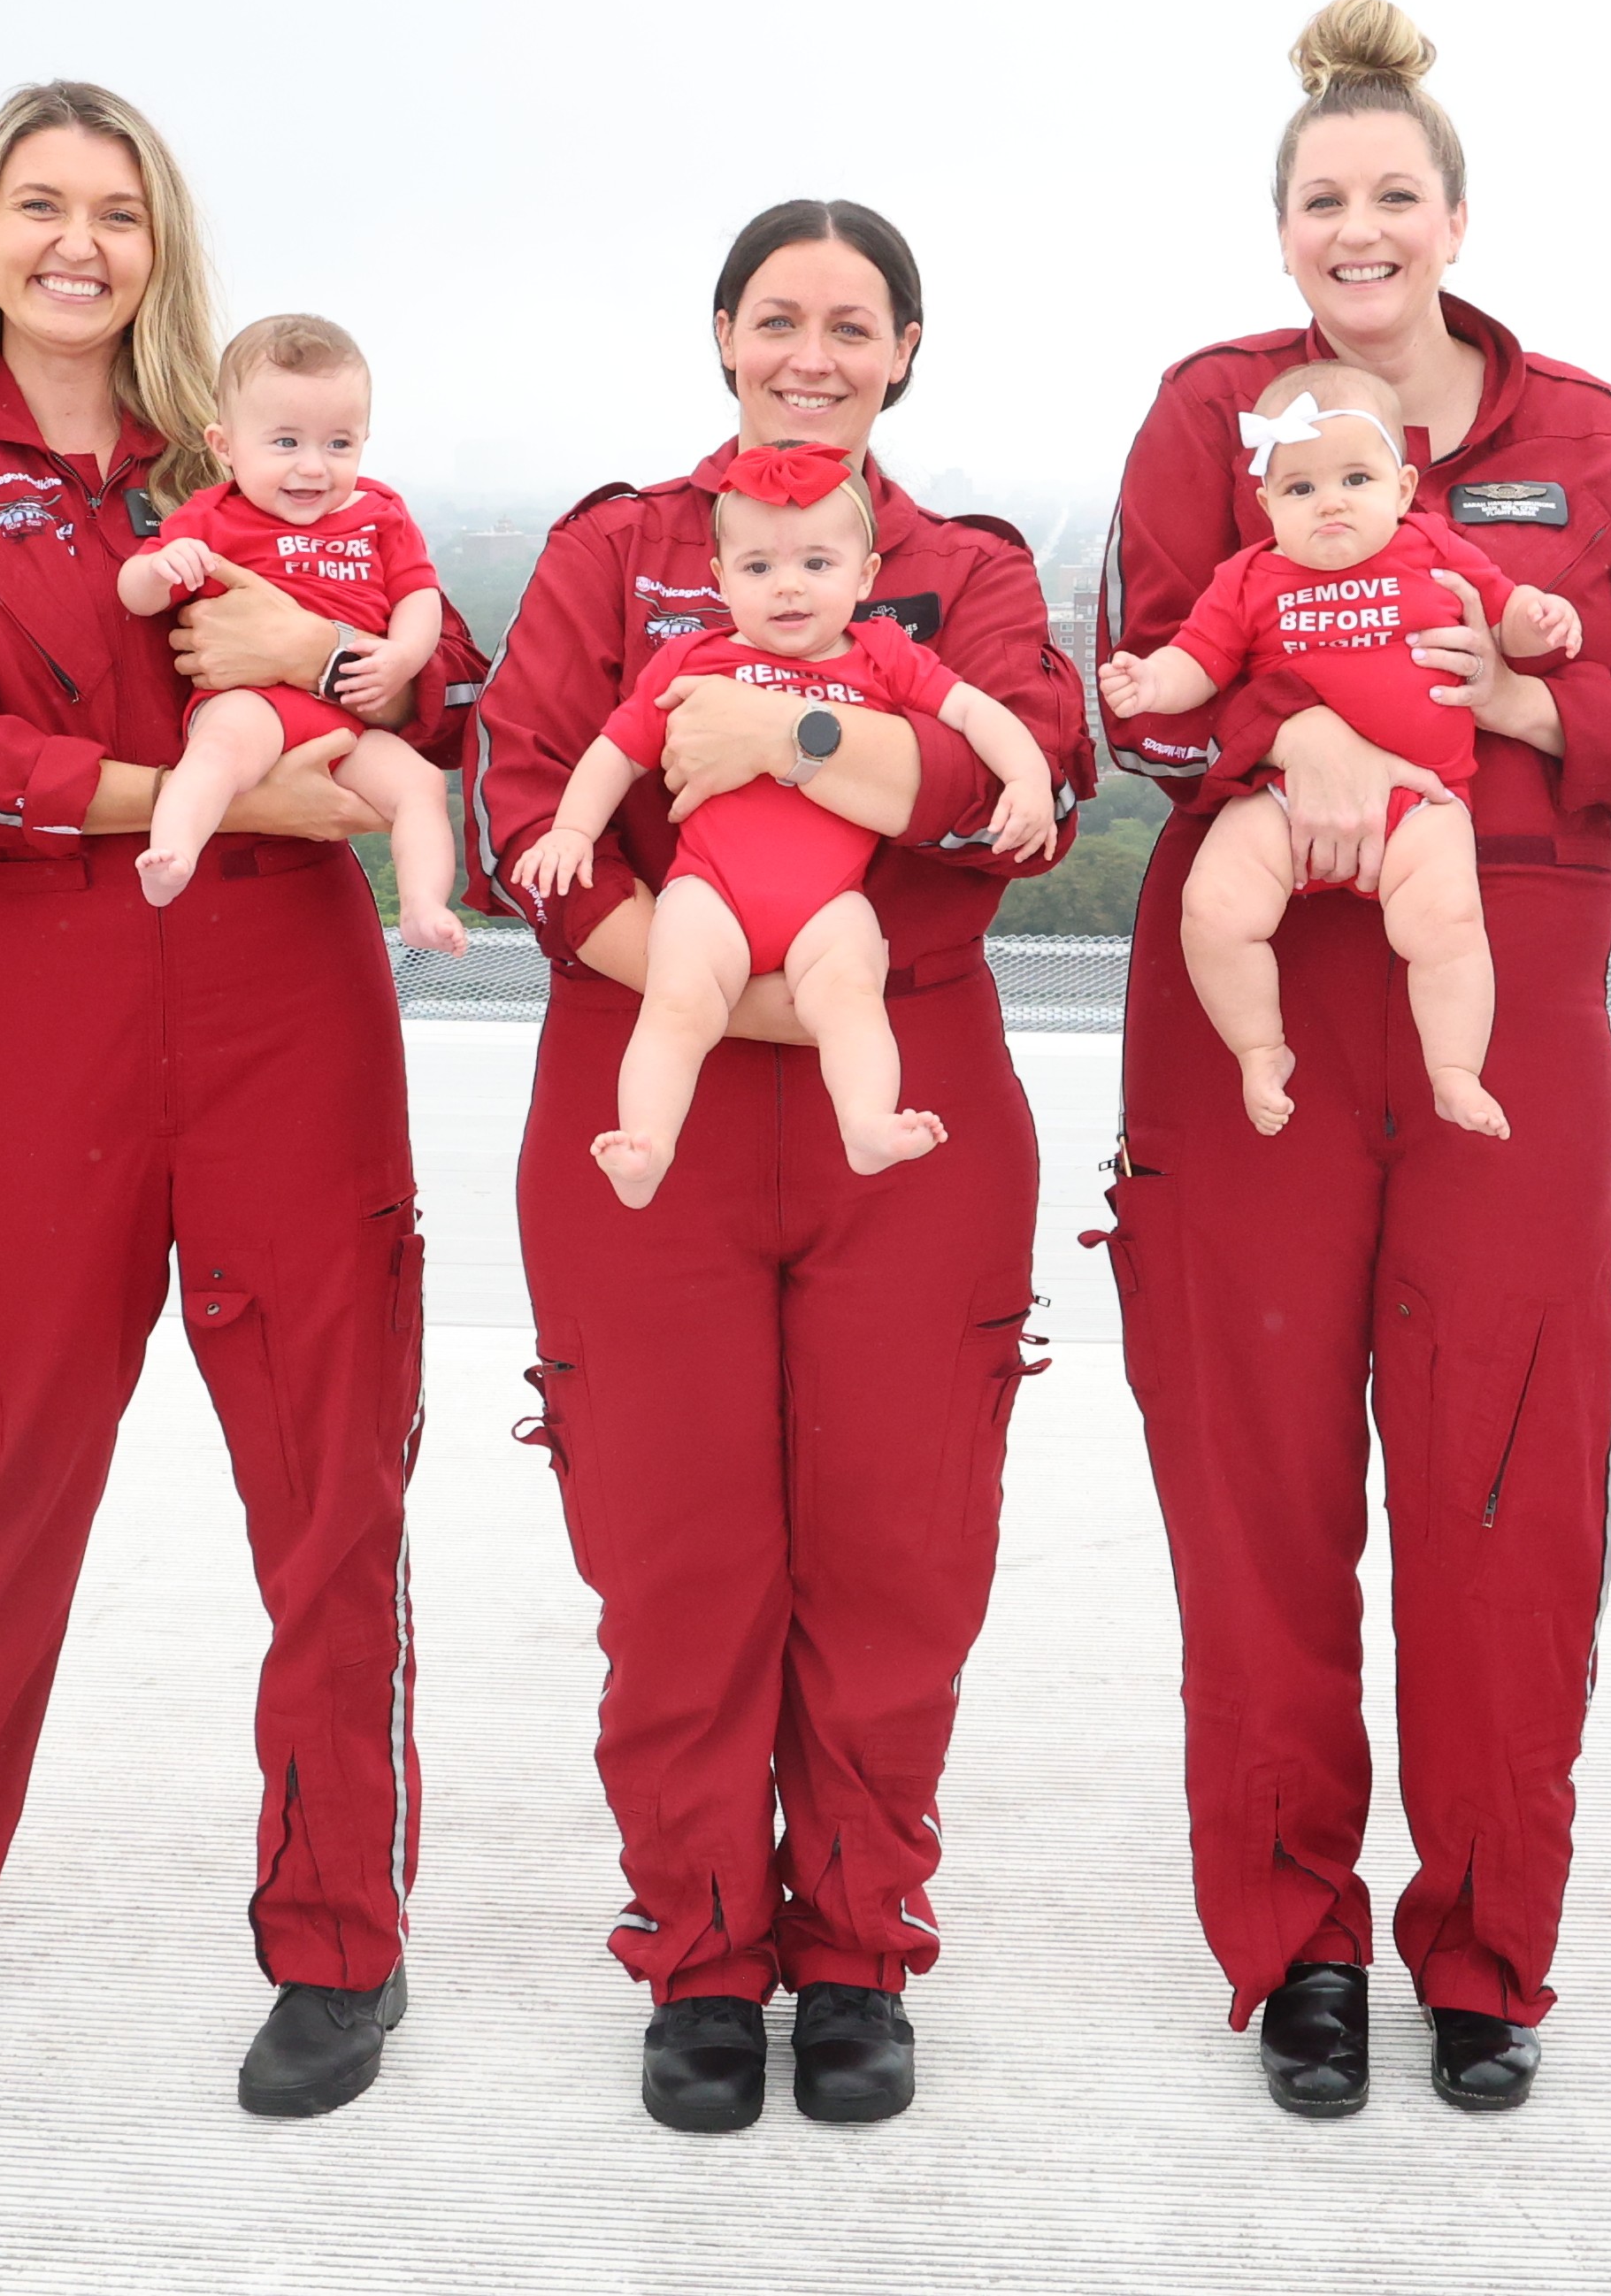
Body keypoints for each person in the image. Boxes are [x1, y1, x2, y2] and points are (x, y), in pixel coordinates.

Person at [0, 81, 486, 2120]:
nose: (77, 243)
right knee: (13, 1466)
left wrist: (328, 667)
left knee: (330, 1481)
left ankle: (337, 1946)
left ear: (162, 244)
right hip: (54, 1010)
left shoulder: (258, 447)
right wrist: (178, 793)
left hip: (291, 1005)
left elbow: (440, 700)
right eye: (40, 207)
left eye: (117, 210)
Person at [1095, 0, 1611, 2118]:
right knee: (1259, 1491)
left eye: (1393, 198)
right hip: (1260, 1001)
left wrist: (1542, 714)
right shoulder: (1211, 417)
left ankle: (1487, 1950)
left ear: (1453, 216)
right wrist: (1271, 722)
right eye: (1319, 203)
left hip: (1498, 997)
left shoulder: (1590, 435)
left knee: (1507, 1483)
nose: (1357, 231)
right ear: (1279, 228)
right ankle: (1292, 1946)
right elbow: (1138, 698)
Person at [469, 197, 1089, 2132]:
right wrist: (733, 985)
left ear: (905, 349)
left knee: (897, 1552)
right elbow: (520, 816)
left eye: (849, 323)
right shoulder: (614, 552)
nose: (807, 352)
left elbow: (1022, 802)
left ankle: (855, 1948)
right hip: (653, 1102)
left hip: (900, 1126)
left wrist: (781, 731)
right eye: (772, 318)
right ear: (720, 337)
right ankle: (701, 1949)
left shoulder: (964, 571)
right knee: (672, 1551)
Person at [511, 445, 1060, 1201]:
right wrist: (572, 829)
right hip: (710, 889)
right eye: (759, 568)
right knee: (677, 1002)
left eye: (818, 565)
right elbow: (615, 751)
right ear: (720, 580)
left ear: (866, 577)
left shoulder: (883, 654)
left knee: (850, 998)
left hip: (829, 901)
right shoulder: (690, 660)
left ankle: (867, 1123)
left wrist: (1027, 776)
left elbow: (975, 712)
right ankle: (646, 1143)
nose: (789, 588)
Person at [1097, 358, 1580, 1137]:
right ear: (1266, 505)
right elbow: (1199, 661)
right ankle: (1260, 1048)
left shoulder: (1435, 546)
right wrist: (1151, 683)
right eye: (1300, 489)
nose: (1330, 502)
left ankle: (1454, 1067)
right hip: (1282, 798)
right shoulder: (1249, 577)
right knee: (1213, 908)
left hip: (1425, 800)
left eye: (1356, 478)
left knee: (1450, 924)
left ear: (1402, 486)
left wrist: (1537, 623)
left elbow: (1508, 612)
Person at [117, 312, 467, 949]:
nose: (313, 468)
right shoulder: (214, 516)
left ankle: (422, 906)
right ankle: (172, 854)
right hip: (254, 702)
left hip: (348, 716)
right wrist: (158, 568)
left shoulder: (379, 513)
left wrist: (402, 657)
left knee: (419, 785)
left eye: (338, 445)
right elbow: (136, 594)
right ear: (224, 445)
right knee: (218, 754)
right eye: (285, 443)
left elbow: (419, 596)